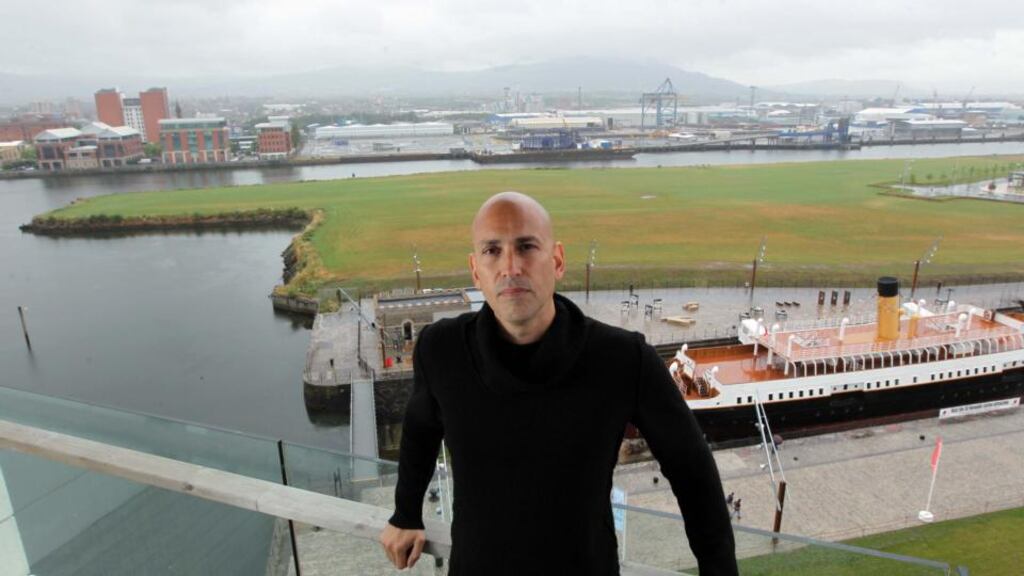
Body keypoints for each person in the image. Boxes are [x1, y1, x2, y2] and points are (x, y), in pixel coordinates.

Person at [379, 192, 737, 575]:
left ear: (558, 260)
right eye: (492, 251)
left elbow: (692, 471)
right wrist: (405, 512)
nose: (510, 266)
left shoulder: (622, 359)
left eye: (526, 246)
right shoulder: (440, 350)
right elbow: (420, 429)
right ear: (475, 270)